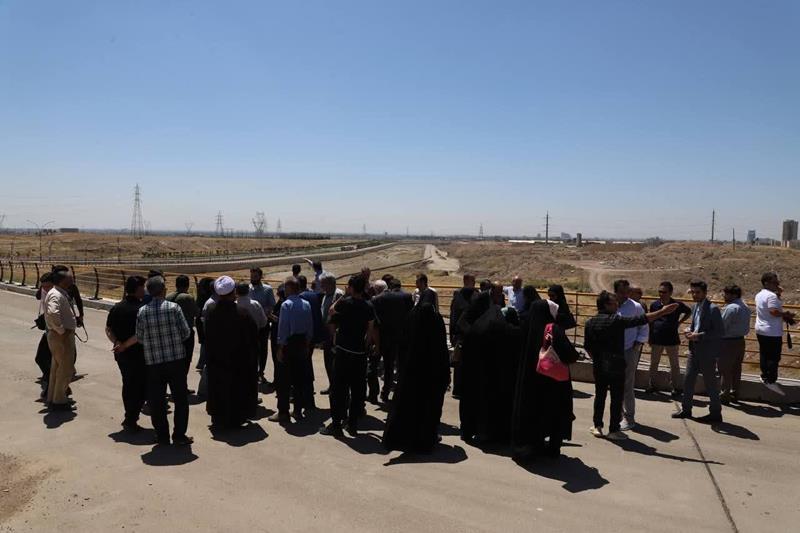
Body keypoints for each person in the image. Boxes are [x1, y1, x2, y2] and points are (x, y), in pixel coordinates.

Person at [584, 291, 678, 439]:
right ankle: (613, 430)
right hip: (616, 365)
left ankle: (597, 426)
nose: (617, 305)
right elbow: (640, 319)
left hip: (599, 365)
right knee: (616, 398)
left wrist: (597, 359)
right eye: (614, 303)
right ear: (606, 305)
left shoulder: (590, 322)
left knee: (600, 396)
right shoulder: (616, 320)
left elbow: (588, 346)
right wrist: (662, 312)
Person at [511, 299, 580, 459]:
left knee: (534, 413)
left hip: (529, 381)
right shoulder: (552, 329)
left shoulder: (525, 327)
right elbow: (569, 354)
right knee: (555, 413)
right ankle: (553, 449)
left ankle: (532, 446)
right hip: (552, 382)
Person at [457, 283, 521, 444]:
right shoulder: (481, 301)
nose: (500, 297)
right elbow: (463, 322)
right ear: (491, 291)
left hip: (488, 355)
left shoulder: (497, 305)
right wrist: (475, 336)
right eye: (497, 293)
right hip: (475, 353)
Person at [382, 303, 450, 453]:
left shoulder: (411, 322)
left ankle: (406, 439)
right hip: (432, 376)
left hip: (410, 375)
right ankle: (426, 439)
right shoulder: (435, 324)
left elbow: (402, 347)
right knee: (428, 410)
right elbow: (442, 352)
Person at [132, 276, 192, 445]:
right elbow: (186, 332)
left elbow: (140, 337)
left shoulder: (142, 311)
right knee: (180, 400)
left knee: (157, 402)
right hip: (176, 361)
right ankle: (179, 436)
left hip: (154, 364)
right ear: (163, 290)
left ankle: (162, 436)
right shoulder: (174, 308)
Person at [321, 274, 379, 437]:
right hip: (359, 353)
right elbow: (371, 329)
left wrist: (343, 296)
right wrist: (366, 345)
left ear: (351, 288)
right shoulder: (368, 306)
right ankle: (352, 425)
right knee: (357, 390)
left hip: (343, 351)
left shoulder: (345, 303)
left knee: (338, 390)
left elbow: (331, 311)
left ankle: (336, 425)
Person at [205, 276, 260, 429]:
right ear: (233, 292)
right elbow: (253, 337)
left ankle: (219, 418)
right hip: (238, 362)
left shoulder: (211, 311)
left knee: (219, 388)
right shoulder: (242, 313)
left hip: (217, 361)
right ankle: (235, 418)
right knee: (236, 389)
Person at [672, 280, 724, 423]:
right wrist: (690, 331)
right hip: (694, 350)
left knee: (710, 384)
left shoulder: (713, 309)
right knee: (688, 380)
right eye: (693, 292)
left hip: (707, 352)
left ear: (705, 293)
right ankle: (686, 409)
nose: (694, 295)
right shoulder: (695, 307)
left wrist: (699, 336)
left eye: (698, 292)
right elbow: (698, 325)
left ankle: (715, 413)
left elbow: (719, 332)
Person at [106, 276, 147, 431]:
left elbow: (108, 329)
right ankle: (131, 419)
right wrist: (124, 345)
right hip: (137, 354)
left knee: (128, 384)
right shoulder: (142, 309)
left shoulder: (117, 307)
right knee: (139, 387)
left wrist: (117, 343)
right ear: (138, 289)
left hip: (121, 355)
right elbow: (139, 334)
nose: (145, 290)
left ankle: (129, 417)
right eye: (143, 287)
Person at [273, 277, 313, 423]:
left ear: (289, 288)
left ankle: (283, 412)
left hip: (289, 344)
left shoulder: (286, 305)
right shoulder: (306, 304)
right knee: (298, 379)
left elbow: (283, 328)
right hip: (302, 343)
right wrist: (307, 344)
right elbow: (310, 326)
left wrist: (280, 347)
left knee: (283, 380)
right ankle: (297, 410)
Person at [646, 281, 692, 397]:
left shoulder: (677, 305)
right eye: (660, 292)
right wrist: (650, 337)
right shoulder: (655, 305)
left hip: (671, 339)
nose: (661, 294)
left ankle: (676, 387)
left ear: (670, 292)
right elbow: (651, 321)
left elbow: (688, 312)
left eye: (664, 292)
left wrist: (680, 322)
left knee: (674, 364)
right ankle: (652, 385)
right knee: (654, 363)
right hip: (657, 339)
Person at [372, 278, 414, 402]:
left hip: (382, 337)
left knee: (377, 366)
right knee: (395, 367)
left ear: (389, 287)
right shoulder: (407, 296)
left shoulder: (378, 299)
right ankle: (391, 393)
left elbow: (374, 321)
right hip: (401, 338)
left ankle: (376, 393)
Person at [613, 279, 648, 431]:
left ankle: (629, 417)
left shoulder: (636, 307)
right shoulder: (611, 304)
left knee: (627, 385)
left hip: (629, 350)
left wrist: (638, 342)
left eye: (627, 292)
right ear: (615, 291)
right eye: (622, 292)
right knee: (615, 385)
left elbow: (644, 326)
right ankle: (618, 415)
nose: (625, 295)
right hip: (613, 351)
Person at [754, 272, 795, 395]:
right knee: (774, 357)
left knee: (764, 353)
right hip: (772, 331)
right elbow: (773, 311)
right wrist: (786, 314)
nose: (777, 284)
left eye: (777, 282)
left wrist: (778, 294)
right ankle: (770, 380)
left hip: (761, 329)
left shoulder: (759, 294)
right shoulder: (771, 296)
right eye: (775, 282)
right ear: (766, 283)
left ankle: (764, 376)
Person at [44, 269, 79, 411]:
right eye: (70, 278)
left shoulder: (59, 293)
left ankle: (54, 397)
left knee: (58, 368)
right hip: (61, 337)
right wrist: (62, 331)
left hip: (59, 336)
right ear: (63, 280)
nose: (72, 280)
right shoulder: (56, 294)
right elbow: (53, 313)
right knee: (65, 369)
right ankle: (59, 401)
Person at [719, 285, 751, 404]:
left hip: (728, 341)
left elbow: (722, 326)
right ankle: (735, 392)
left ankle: (724, 394)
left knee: (725, 368)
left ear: (733, 295)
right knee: (736, 368)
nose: (724, 296)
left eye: (726, 294)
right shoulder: (745, 307)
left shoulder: (731, 308)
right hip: (740, 341)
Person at [449, 274, 478, 399]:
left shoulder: (471, 295)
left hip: (465, 334)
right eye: (473, 280)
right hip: (464, 335)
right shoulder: (463, 295)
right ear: (466, 280)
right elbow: (454, 315)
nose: (474, 282)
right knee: (461, 362)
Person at [298, 275, 324, 409]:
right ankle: (309, 397)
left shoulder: (300, 298)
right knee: (307, 364)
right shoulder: (313, 295)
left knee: (303, 368)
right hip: (313, 336)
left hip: (303, 338)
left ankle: (305, 398)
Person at [166, 275, 200, 376]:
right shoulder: (188, 297)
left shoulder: (168, 297)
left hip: (171, 332)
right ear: (187, 285)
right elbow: (196, 313)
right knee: (185, 360)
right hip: (186, 334)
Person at [249, 267, 276, 384]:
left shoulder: (267, 289)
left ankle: (261, 372)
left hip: (263, 325)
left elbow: (272, 305)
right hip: (250, 326)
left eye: (255, 276)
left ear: (260, 276)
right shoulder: (248, 289)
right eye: (251, 276)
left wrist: (262, 311)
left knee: (263, 350)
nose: (252, 278)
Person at [319, 274, 344, 395]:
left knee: (334, 363)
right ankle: (332, 386)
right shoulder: (326, 295)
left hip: (334, 334)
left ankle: (337, 388)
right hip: (326, 333)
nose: (321, 286)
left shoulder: (338, 295)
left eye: (323, 283)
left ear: (330, 284)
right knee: (328, 362)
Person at [366, 279, 388, 402]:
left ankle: (373, 394)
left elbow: (374, 326)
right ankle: (381, 393)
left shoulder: (373, 303)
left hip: (376, 341)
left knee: (372, 368)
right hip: (388, 339)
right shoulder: (390, 302)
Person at [34, 273, 54, 398]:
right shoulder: (45, 292)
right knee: (44, 359)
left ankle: (53, 385)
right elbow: (37, 296)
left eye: (47, 286)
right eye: (43, 286)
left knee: (41, 358)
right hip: (48, 330)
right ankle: (53, 384)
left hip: (54, 332)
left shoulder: (56, 296)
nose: (45, 289)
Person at [194, 277, 215, 371]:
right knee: (206, 343)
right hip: (205, 323)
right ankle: (202, 363)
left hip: (199, 322)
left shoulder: (201, 297)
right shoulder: (210, 299)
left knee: (204, 342)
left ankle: (201, 363)